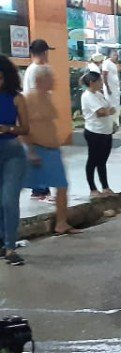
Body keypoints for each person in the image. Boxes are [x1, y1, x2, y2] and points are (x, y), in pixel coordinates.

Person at [21, 66, 80, 236]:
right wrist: (30, 150)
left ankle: (61, 223)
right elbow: (21, 127)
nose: (54, 82)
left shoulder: (47, 97)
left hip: (52, 151)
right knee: (17, 186)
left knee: (62, 185)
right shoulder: (27, 99)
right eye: (51, 79)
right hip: (35, 149)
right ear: (40, 80)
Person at [0, 55, 30, 265]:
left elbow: (25, 128)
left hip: (13, 153)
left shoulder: (17, 98)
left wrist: (8, 128)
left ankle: (10, 247)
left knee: (9, 200)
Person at [24, 39, 53, 203]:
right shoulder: (36, 70)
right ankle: (41, 191)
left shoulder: (32, 69)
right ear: (44, 53)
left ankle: (39, 190)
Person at [80, 71, 116, 199]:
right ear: (92, 83)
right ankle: (93, 188)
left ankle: (105, 187)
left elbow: (110, 108)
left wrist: (110, 115)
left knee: (102, 161)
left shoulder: (99, 94)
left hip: (106, 132)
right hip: (94, 132)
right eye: (99, 81)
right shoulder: (87, 96)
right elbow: (100, 112)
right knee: (93, 160)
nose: (102, 83)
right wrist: (109, 111)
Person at [101, 49, 121, 129]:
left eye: (116, 55)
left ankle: (116, 123)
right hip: (110, 89)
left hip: (116, 89)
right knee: (111, 105)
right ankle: (110, 123)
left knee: (116, 105)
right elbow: (104, 75)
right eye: (114, 55)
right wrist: (107, 87)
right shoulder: (106, 63)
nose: (116, 56)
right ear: (110, 55)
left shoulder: (114, 64)